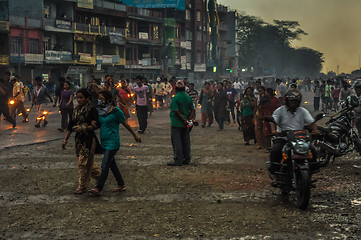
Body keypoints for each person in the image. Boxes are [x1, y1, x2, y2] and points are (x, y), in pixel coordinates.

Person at [88, 90, 141, 196]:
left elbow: (125, 124)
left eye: (102, 98)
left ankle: (99, 188)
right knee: (112, 165)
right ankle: (121, 184)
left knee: (105, 165)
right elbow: (96, 124)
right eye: (99, 98)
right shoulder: (99, 111)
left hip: (113, 142)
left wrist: (134, 134)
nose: (100, 100)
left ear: (108, 99)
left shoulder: (116, 111)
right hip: (104, 141)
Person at [268, 90, 320, 177]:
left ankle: (312, 169)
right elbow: (273, 121)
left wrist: (316, 130)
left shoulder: (302, 111)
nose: (293, 103)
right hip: (284, 137)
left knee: (312, 149)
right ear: (287, 101)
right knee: (276, 150)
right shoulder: (280, 110)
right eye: (292, 101)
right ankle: (274, 171)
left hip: (300, 137)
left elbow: (311, 122)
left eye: (295, 101)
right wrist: (274, 131)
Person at [62, 88, 102, 194]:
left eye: (81, 97)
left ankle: (82, 186)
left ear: (87, 98)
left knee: (82, 163)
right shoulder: (76, 110)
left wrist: (84, 128)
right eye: (78, 97)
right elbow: (70, 126)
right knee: (89, 164)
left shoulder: (92, 110)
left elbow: (96, 125)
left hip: (89, 139)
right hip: (79, 140)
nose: (79, 100)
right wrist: (65, 140)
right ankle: (101, 178)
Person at [167, 80, 195, 166]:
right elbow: (193, 110)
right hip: (185, 124)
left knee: (177, 142)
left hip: (176, 123)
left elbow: (176, 110)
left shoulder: (175, 98)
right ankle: (186, 159)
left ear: (175, 89)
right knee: (186, 141)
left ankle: (178, 160)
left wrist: (183, 120)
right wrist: (188, 120)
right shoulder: (188, 97)